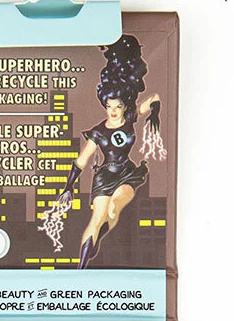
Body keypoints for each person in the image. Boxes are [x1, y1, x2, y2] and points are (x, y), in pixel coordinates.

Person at [56, 34, 163, 269]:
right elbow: (81, 160)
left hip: (126, 173)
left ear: (124, 106)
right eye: (109, 106)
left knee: (114, 208)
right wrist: (68, 187)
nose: (113, 111)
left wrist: (154, 112)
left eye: (118, 106)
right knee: (96, 220)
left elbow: (154, 98)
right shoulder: (98, 132)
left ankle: (102, 233)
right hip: (104, 177)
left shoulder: (130, 117)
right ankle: (80, 271)